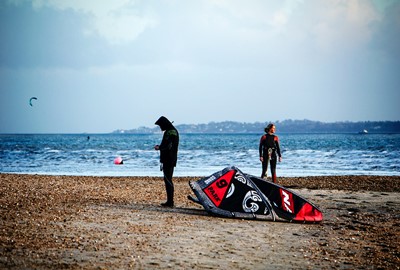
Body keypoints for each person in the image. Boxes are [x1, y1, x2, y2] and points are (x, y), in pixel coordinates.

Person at [154, 116, 179, 207]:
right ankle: (169, 201)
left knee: (168, 179)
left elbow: (168, 146)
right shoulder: (171, 131)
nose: (160, 128)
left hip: (169, 159)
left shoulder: (171, 132)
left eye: (160, 126)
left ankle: (170, 202)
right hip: (170, 159)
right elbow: (168, 145)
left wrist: (159, 147)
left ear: (164, 124)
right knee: (167, 179)